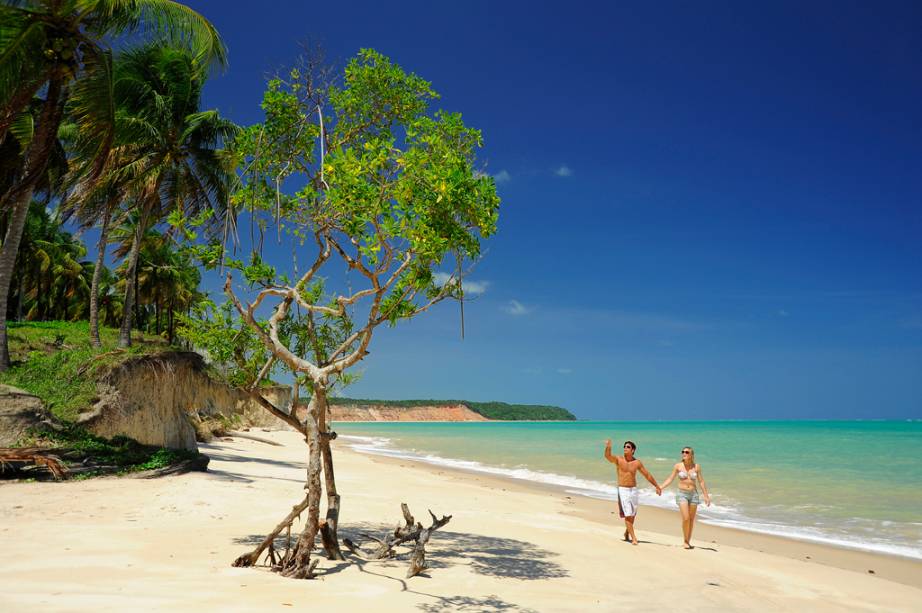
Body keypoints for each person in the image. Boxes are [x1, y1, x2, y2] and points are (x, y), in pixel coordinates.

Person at [604, 439, 661, 545]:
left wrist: (657, 486)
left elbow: (647, 474)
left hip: (633, 490)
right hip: (623, 490)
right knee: (628, 514)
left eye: (628, 447)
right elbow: (608, 457)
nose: (625, 448)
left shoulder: (637, 463)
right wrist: (608, 447)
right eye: (624, 446)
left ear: (633, 450)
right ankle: (634, 538)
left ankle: (626, 533)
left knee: (633, 514)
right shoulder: (619, 459)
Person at [659, 446, 711, 549]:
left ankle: (687, 541)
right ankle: (685, 539)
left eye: (687, 452)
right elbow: (670, 478)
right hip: (682, 494)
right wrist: (661, 487)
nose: (684, 453)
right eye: (683, 452)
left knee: (691, 520)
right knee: (686, 518)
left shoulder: (696, 467)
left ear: (691, 455)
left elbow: (701, 481)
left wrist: (706, 496)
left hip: (694, 494)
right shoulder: (678, 466)